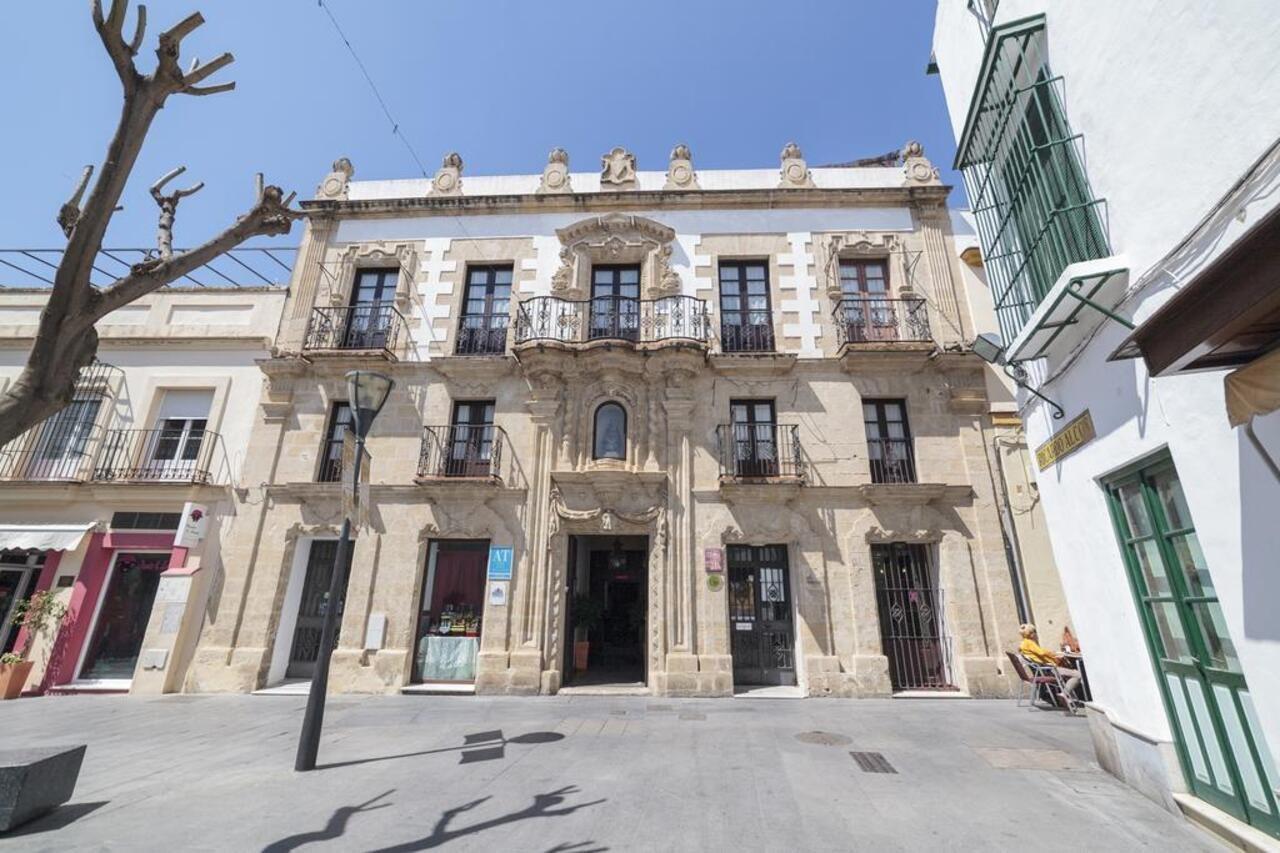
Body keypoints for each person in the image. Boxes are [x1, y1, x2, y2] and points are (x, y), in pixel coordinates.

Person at [1019, 623, 1082, 711]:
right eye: (1034, 632)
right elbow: (1041, 652)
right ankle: (1064, 694)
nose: (1036, 634)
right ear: (1031, 633)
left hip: (1046, 669)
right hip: (1049, 669)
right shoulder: (1029, 643)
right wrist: (1054, 653)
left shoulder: (1023, 643)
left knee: (1072, 671)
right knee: (1078, 674)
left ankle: (1068, 697)